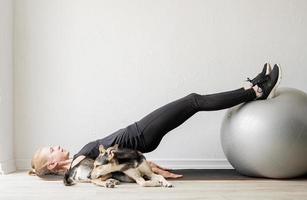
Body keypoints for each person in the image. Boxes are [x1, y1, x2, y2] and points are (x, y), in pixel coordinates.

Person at [29, 63, 281, 179]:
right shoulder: (79, 164)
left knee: (193, 104)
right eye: (51, 150)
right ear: (52, 164)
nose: (57, 146)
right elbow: (110, 168)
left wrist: (147, 166)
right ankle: (255, 91)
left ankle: (251, 88)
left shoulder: (78, 163)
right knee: (193, 100)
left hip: (141, 134)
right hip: (140, 134)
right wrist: (148, 169)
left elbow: (113, 164)